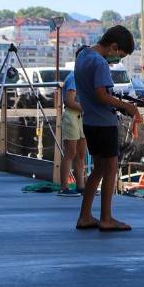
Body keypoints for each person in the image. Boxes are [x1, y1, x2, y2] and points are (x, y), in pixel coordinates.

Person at [74, 26, 141, 232]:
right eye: (119, 56)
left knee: (99, 169)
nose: (117, 60)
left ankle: (85, 216)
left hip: (90, 122)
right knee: (110, 168)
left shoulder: (83, 55)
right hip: (104, 123)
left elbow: (95, 94)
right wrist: (127, 106)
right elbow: (102, 95)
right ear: (113, 47)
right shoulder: (100, 62)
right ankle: (106, 218)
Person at [57, 57, 87, 196]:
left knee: (81, 154)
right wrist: (87, 108)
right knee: (70, 152)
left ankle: (80, 186)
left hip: (80, 116)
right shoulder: (74, 77)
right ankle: (64, 187)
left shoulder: (82, 76)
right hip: (72, 116)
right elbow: (69, 101)